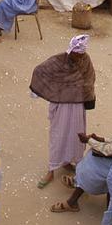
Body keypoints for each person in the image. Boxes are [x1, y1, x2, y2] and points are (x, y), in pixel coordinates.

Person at [51, 96, 112, 212]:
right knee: (91, 158)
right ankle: (78, 183)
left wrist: (89, 140)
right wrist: (101, 139)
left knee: (91, 167)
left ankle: (73, 197)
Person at [30, 34, 96, 188]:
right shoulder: (59, 61)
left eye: (79, 54)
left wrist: (79, 89)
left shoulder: (86, 61)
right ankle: (52, 169)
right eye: (75, 53)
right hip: (62, 105)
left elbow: (89, 79)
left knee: (76, 135)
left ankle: (69, 161)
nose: (77, 57)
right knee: (58, 136)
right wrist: (45, 90)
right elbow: (41, 70)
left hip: (77, 106)